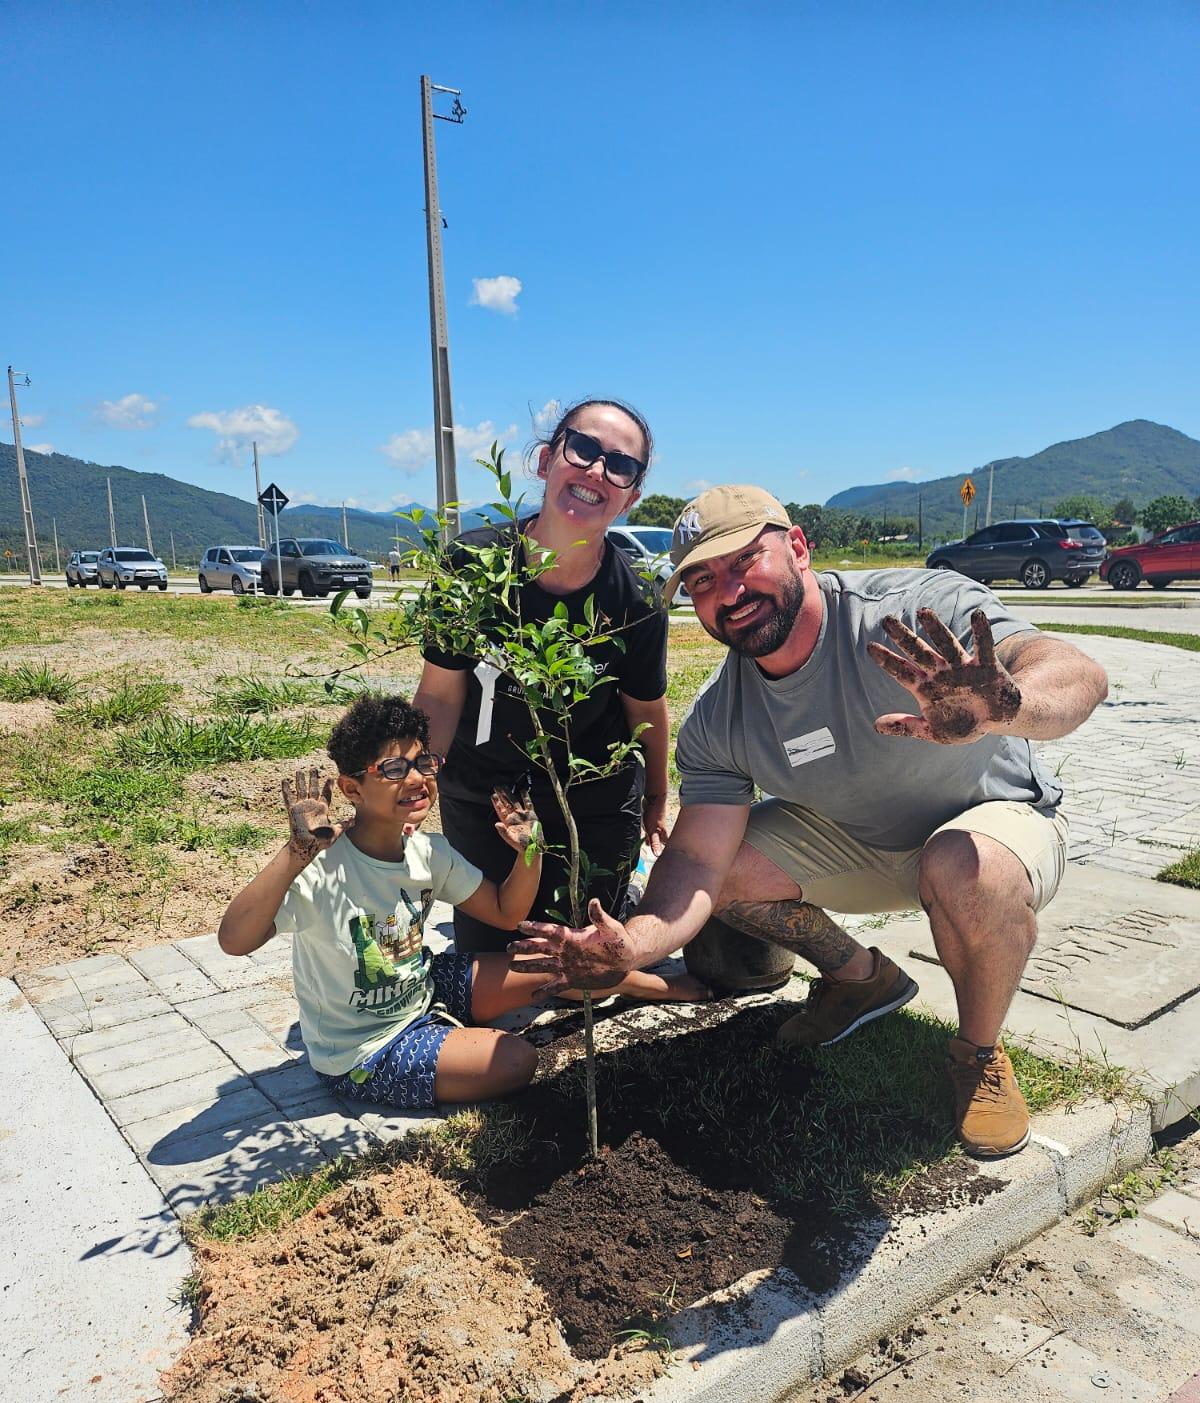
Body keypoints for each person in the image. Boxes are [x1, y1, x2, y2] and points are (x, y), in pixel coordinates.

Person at [511, 484, 1109, 1160]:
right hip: (859, 842)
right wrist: (634, 947)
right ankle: (861, 981)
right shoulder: (719, 718)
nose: (728, 592)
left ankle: (978, 1054)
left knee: (964, 868)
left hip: (993, 822)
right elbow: (699, 862)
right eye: (702, 581)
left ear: (798, 547)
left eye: (744, 561)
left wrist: (1007, 707)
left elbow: (1078, 672)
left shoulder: (910, 612)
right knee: (723, 871)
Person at [217, 694, 702, 1113]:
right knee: (515, 1060)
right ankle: (445, 1039)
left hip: (424, 984)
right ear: (351, 789)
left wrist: (530, 851)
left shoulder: (429, 853)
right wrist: (295, 854)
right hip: (365, 1052)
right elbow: (234, 941)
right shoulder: (323, 868)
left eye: (423, 763)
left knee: (553, 962)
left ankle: (654, 986)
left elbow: (505, 913)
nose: (416, 779)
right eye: (393, 769)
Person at [414, 398, 670, 955]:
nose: (597, 470)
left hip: (593, 798)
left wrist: (655, 795)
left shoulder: (637, 600)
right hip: (486, 798)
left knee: (581, 965)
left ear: (631, 495)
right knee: (499, 960)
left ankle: (627, 894)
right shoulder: (471, 568)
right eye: (583, 449)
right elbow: (440, 694)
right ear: (547, 459)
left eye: (620, 465)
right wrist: (415, 776)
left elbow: (646, 710)